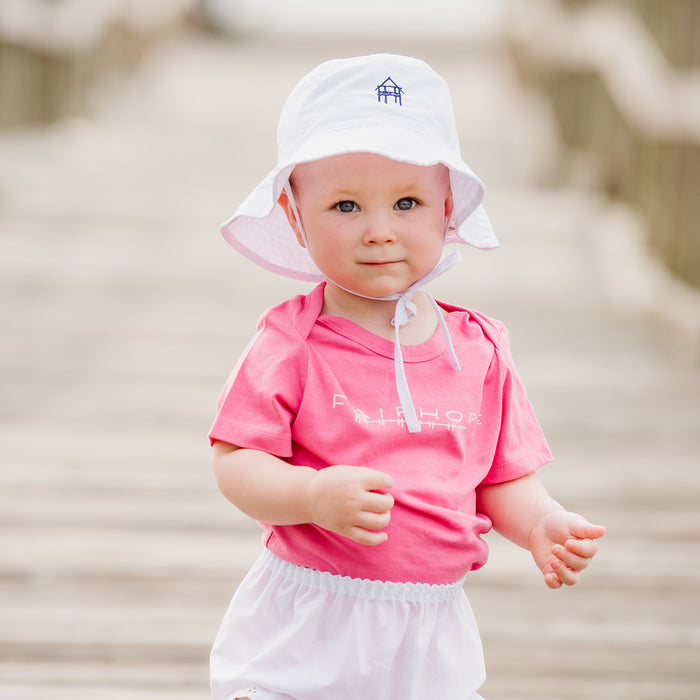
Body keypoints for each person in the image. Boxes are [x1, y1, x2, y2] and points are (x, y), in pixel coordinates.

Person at [208, 54, 605, 700]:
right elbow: (235, 460)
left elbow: (501, 477)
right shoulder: (293, 341)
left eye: (406, 202)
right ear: (293, 214)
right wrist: (310, 497)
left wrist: (540, 523)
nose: (379, 231)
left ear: (447, 206)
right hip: (311, 613)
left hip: (430, 627)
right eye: (345, 205)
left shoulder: (476, 348)